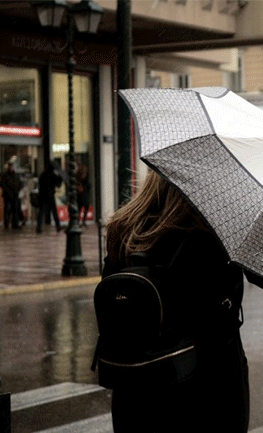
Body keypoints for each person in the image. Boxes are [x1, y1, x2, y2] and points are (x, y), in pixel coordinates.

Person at [103, 170, 249, 432]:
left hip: (135, 388)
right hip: (205, 391)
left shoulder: (123, 227)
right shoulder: (212, 234)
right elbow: (220, 315)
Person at [36, 161, 62, 233]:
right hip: (50, 195)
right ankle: (58, 226)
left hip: (43, 195)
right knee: (53, 212)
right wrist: (59, 177)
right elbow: (58, 184)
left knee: (41, 212)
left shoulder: (43, 175)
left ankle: (39, 227)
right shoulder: (52, 175)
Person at [0, 163, 21, 229]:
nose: (11, 168)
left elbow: (19, 184)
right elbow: (3, 184)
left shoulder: (15, 175)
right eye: (10, 166)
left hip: (14, 195)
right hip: (8, 195)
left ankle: (15, 224)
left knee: (15, 210)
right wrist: (8, 191)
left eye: (12, 166)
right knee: (7, 210)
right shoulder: (5, 175)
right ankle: (7, 224)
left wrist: (17, 191)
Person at [75, 162, 90, 227]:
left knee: (85, 207)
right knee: (79, 208)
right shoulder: (78, 177)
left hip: (84, 194)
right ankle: (79, 221)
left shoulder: (86, 177)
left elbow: (88, 186)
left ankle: (83, 221)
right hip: (80, 194)